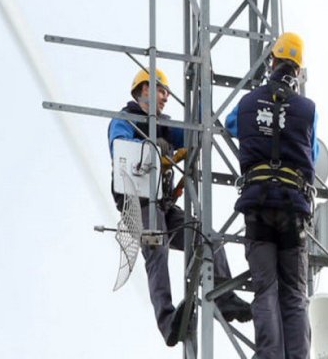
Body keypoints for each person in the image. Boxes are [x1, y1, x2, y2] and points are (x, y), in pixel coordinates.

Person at [108, 67, 251, 347]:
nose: (165, 97)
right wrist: (155, 154)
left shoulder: (163, 124)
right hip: (139, 206)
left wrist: (202, 92)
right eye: (161, 90)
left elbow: (192, 134)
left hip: (162, 203)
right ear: (145, 89)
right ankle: (168, 321)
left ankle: (224, 295)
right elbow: (121, 151)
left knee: (206, 234)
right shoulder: (125, 120)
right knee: (157, 249)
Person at [225, 32, 318, 359]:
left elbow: (232, 125)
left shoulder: (248, 103)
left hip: (258, 205)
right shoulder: (307, 109)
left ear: (272, 62)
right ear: (298, 70)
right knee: (293, 293)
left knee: (266, 289)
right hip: (293, 208)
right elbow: (313, 151)